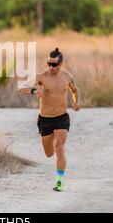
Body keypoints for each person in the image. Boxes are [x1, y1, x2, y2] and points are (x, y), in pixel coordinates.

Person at [18, 47, 80, 191]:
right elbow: (21, 88)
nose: (51, 67)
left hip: (61, 118)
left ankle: (59, 181)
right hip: (45, 120)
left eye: (54, 64)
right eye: (49, 64)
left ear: (61, 63)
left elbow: (75, 90)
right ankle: (52, 142)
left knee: (59, 147)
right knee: (49, 153)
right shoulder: (41, 77)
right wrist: (34, 91)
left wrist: (76, 102)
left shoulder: (67, 77)